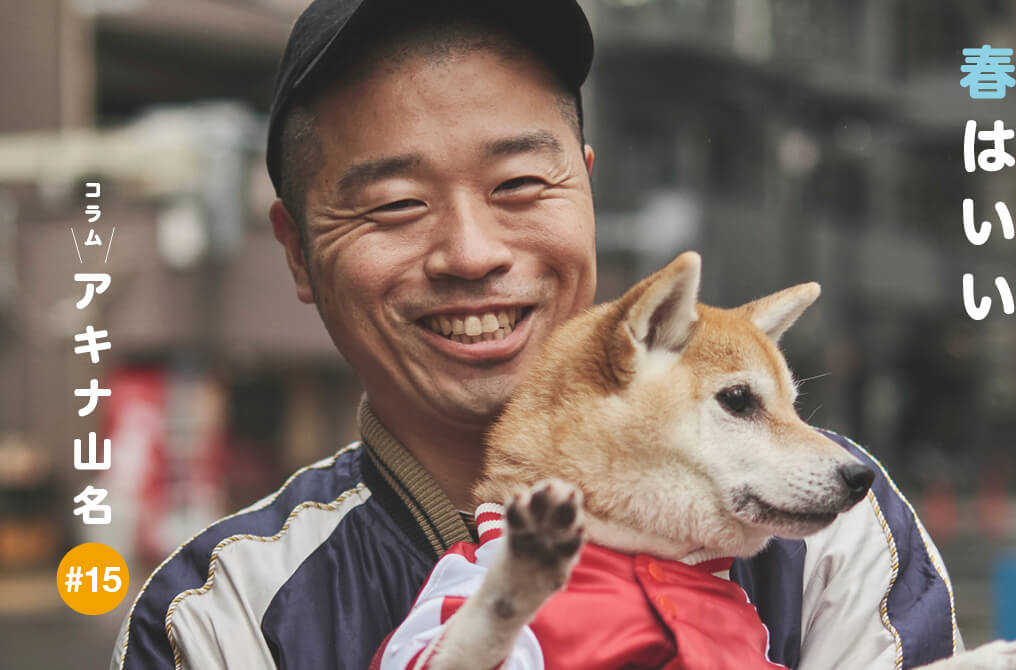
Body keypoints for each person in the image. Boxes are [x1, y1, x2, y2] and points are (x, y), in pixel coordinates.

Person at [110, 1, 960, 668]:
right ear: (297, 251)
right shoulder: (214, 614)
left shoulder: (832, 525)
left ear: (586, 191)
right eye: (396, 204)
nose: (472, 253)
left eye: (518, 183)